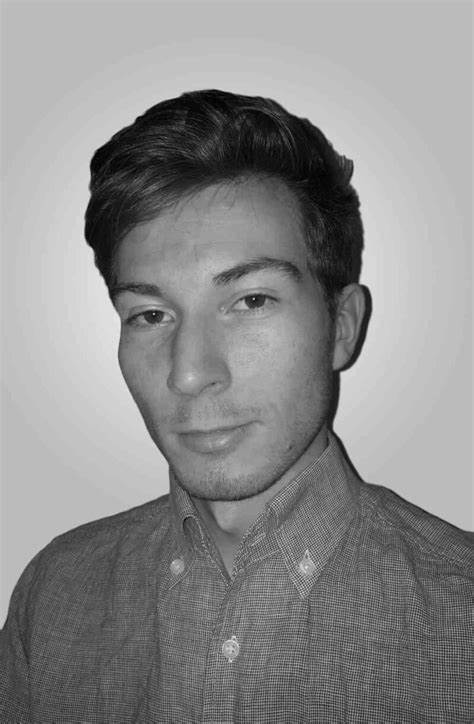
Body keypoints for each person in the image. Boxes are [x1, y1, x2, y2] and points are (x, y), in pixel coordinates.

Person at [1, 89, 471, 723]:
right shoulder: (54, 594)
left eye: (251, 301)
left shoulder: (461, 614)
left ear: (342, 326)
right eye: (150, 314)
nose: (190, 373)